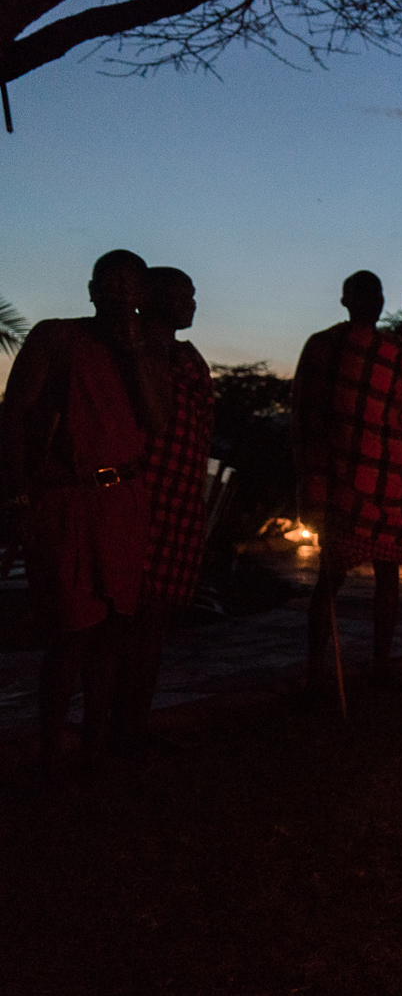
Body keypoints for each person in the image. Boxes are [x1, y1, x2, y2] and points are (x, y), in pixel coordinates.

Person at [1, 250, 171, 782]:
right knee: (70, 630)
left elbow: (157, 421)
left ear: (142, 296)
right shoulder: (57, 337)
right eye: (109, 283)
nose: (119, 293)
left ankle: (96, 748)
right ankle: (51, 752)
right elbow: (13, 416)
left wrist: (135, 355)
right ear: (91, 290)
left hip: (125, 499)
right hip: (69, 497)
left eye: (130, 285)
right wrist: (17, 497)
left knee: (114, 627)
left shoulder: (150, 349)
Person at [293, 271, 402, 692]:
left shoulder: (392, 351)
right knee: (338, 576)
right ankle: (322, 670)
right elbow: (309, 413)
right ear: (347, 301)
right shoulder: (329, 347)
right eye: (365, 294)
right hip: (350, 481)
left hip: (381, 477)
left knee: (375, 575)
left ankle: (373, 664)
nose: (373, 300)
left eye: (376, 294)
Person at [122, 266, 214, 757]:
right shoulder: (135, 350)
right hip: (144, 497)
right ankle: (120, 727)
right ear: (151, 299)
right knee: (133, 619)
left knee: (153, 621)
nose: (191, 304)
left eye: (192, 295)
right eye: (182, 295)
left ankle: (133, 723)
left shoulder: (184, 356)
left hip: (179, 498)